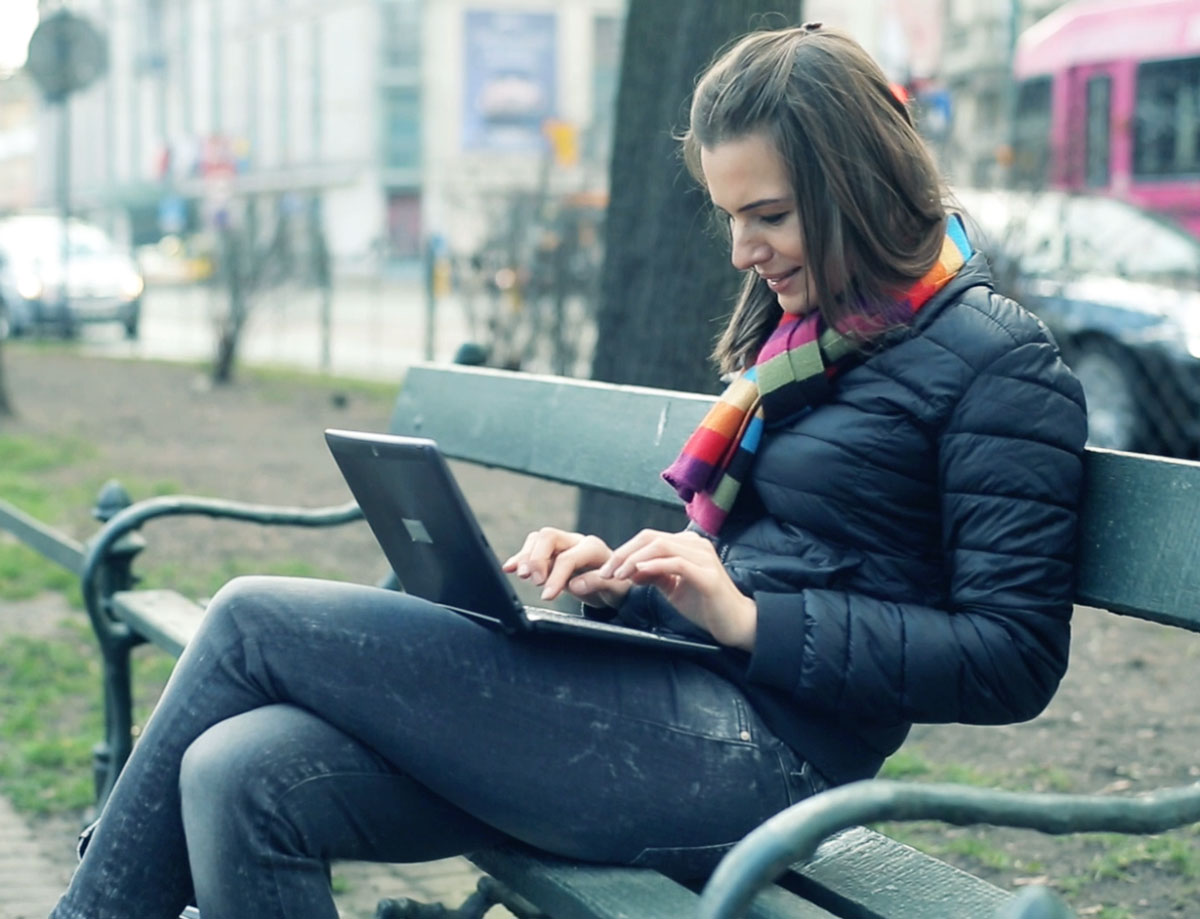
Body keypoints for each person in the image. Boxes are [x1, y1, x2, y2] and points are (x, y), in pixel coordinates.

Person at [51, 22, 1087, 919]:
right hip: (679, 701)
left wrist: (750, 621)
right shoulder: (812, 335)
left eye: (767, 215)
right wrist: (639, 579)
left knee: (251, 617)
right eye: (730, 216)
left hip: (769, 762)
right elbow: (770, 555)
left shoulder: (1002, 366)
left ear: (852, 184)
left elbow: (1011, 657)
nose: (741, 250)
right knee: (240, 773)